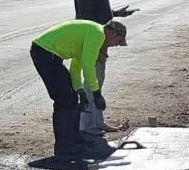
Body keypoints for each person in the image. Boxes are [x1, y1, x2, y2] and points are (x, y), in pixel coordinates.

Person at [30, 19, 128, 160]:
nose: (116, 45)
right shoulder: (98, 34)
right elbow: (89, 66)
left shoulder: (92, 33)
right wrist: (96, 93)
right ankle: (64, 146)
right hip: (44, 52)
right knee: (64, 99)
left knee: (71, 97)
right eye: (118, 41)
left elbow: (76, 67)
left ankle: (74, 140)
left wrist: (80, 91)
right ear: (112, 33)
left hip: (48, 54)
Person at [74, 0, 133, 134]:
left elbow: (97, 10)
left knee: (97, 82)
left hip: (98, 39)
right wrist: (94, 39)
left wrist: (115, 14)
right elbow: (86, 15)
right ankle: (87, 125)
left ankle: (97, 121)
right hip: (93, 40)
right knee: (91, 84)